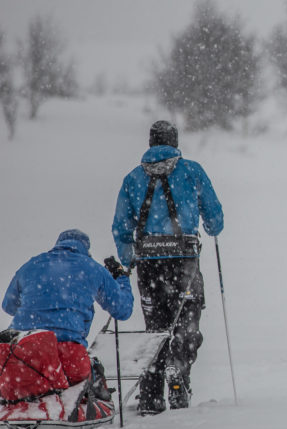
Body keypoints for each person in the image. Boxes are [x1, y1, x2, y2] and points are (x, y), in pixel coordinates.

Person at [112, 120, 224, 414]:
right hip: (184, 260)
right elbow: (214, 218)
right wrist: (211, 226)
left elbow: (121, 226)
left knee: (155, 328)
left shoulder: (133, 178)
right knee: (187, 321)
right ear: (175, 142)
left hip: (149, 263)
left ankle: (151, 396)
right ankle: (179, 370)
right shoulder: (192, 171)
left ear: (150, 143)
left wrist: (129, 257)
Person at [3, 229, 133, 395]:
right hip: (67, 357)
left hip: (21, 355)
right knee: (85, 372)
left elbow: (8, 306)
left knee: (24, 375)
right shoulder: (93, 268)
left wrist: (40, 303)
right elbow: (123, 310)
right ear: (86, 249)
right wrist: (120, 277)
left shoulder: (31, 265)